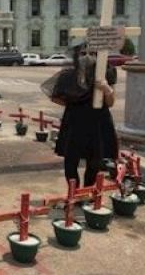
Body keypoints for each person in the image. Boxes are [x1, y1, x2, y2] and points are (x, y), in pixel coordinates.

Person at [42, 43, 119, 189]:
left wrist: (106, 88)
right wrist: (74, 102)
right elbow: (55, 97)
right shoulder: (69, 74)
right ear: (77, 56)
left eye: (92, 53)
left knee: (94, 159)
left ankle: (87, 191)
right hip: (74, 119)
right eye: (83, 53)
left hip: (98, 120)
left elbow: (111, 102)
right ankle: (74, 191)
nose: (87, 57)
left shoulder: (107, 71)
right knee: (70, 159)